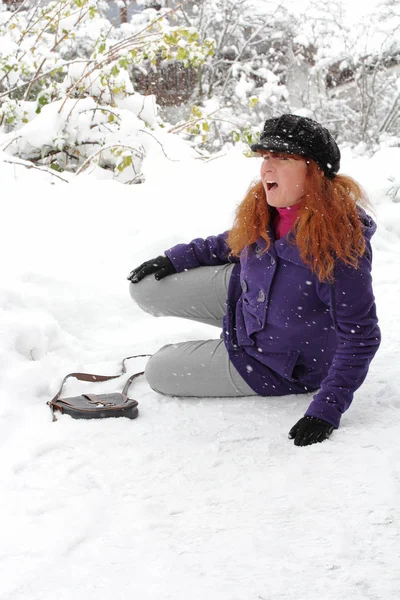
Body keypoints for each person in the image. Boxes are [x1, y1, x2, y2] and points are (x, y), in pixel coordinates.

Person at [128, 114, 381, 447]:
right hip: (249, 293)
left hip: (276, 363)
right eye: (265, 157)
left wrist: (326, 409)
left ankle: (233, 345)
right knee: (145, 288)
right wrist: (176, 258)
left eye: (283, 158)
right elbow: (234, 241)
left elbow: (362, 336)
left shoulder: (337, 248)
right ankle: (237, 327)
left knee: (158, 370)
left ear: (315, 171)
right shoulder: (269, 207)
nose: (267, 169)